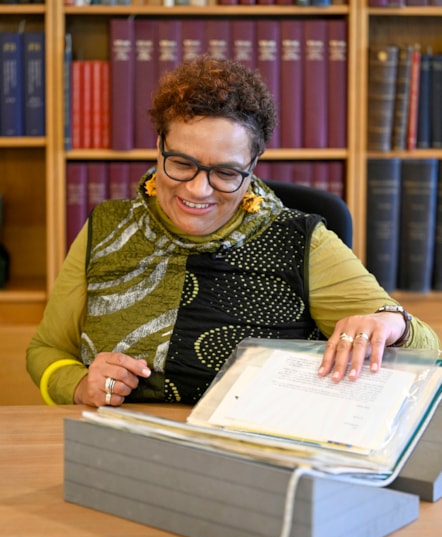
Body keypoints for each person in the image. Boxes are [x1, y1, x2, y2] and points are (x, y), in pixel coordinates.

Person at [26, 56, 440, 408]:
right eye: (182, 163)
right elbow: (46, 351)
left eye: (225, 172)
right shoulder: (106, 228)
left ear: (253, 164)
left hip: (253, 462)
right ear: (159, 146)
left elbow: (428, 355)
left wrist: (394, 325)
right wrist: (79, 385)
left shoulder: (300, 242)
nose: (197, 189)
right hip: (119, 451)